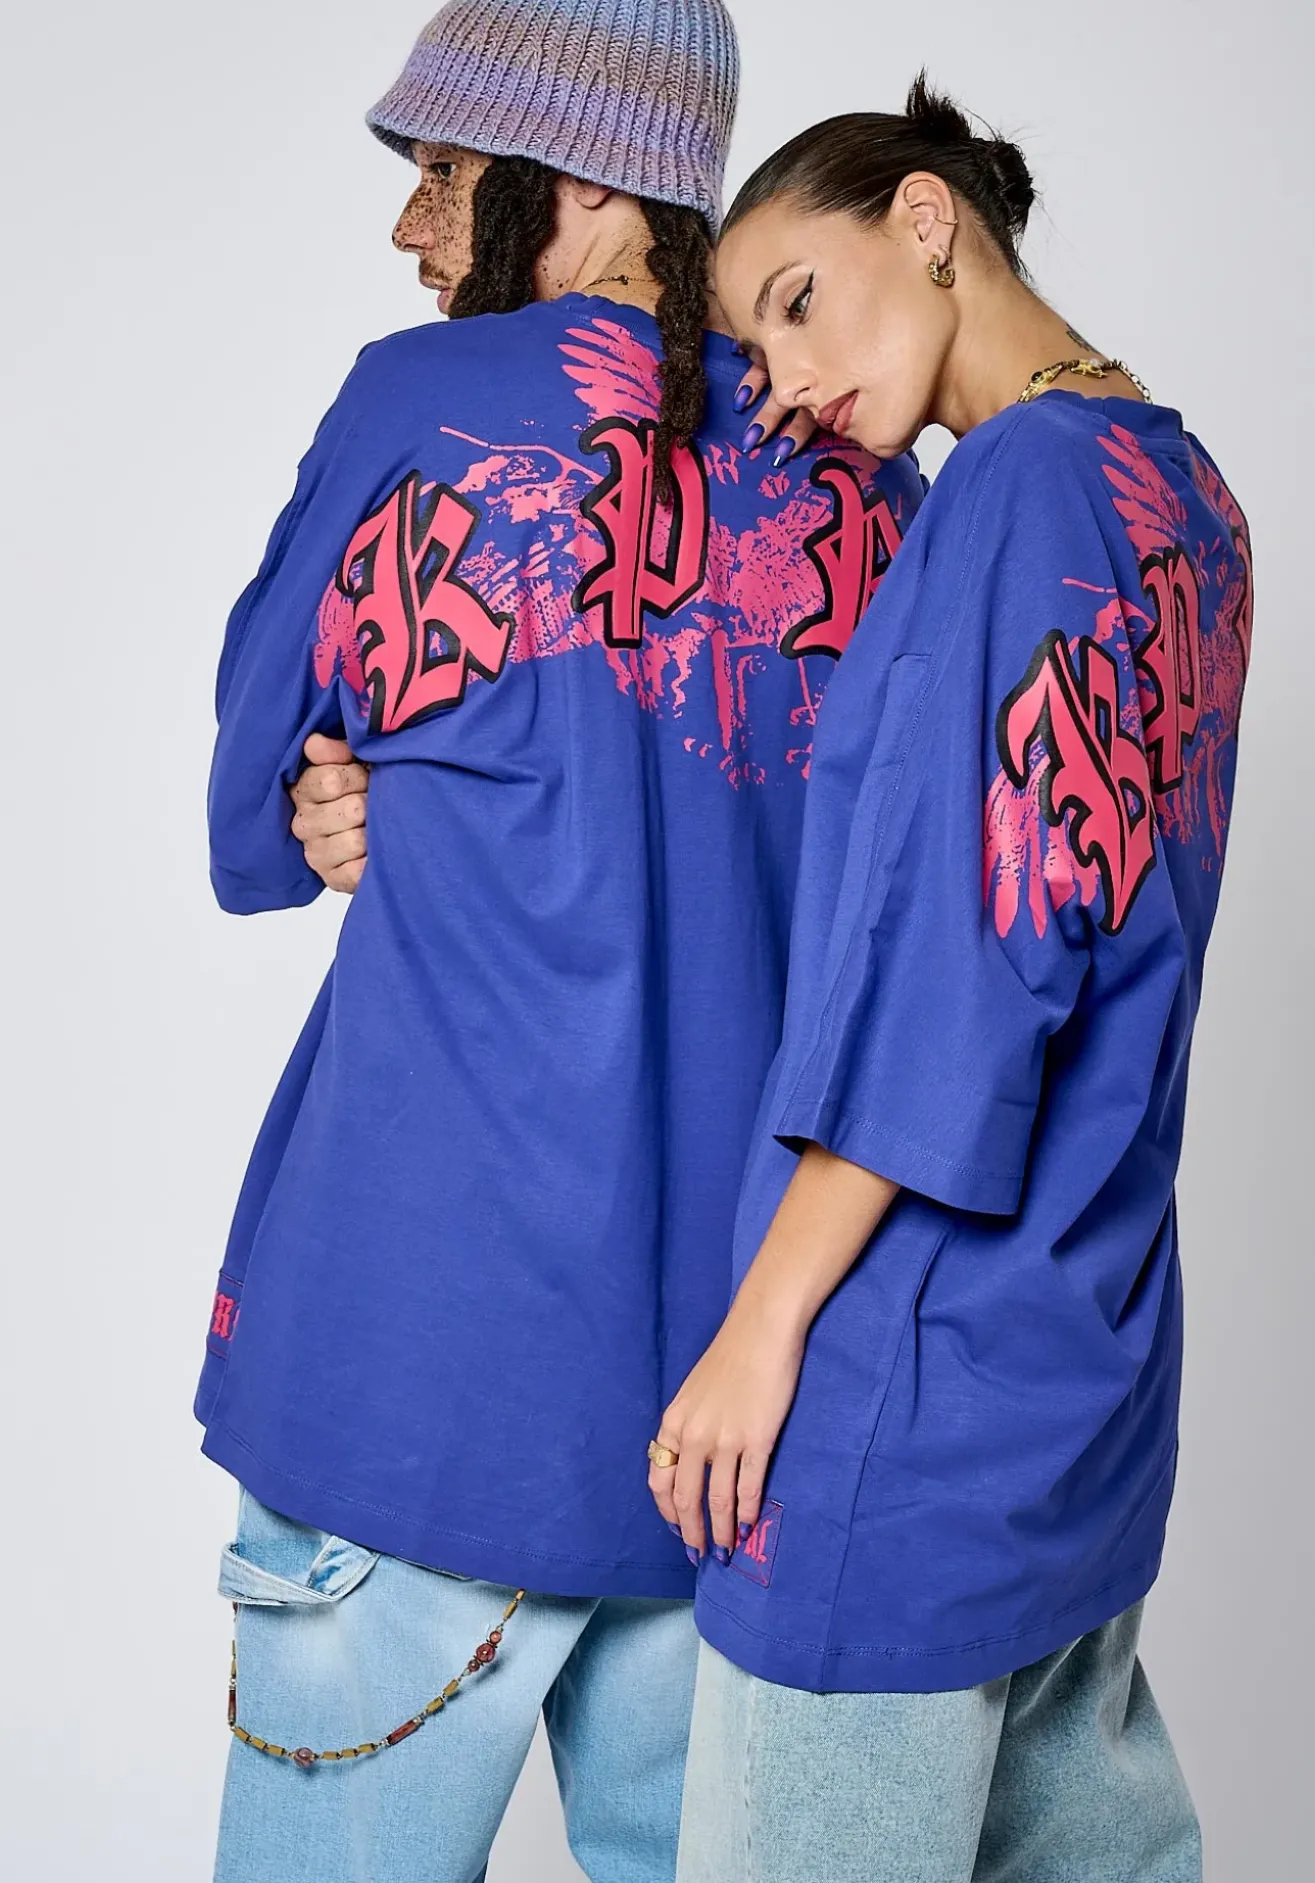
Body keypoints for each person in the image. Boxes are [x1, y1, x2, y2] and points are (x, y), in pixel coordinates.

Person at [199, 4, 923, 1879]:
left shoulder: (418, 405)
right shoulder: (861, 465)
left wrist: (337, 791)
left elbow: (249, 798)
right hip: (739, 1403)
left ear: (586, 181)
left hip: (420, 1364)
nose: (412, 226)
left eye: (445, 174)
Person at [652, 78, 1253, 1883]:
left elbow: (956, 981)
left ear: (926, 219)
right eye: (753, 350)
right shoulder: (1183, 491)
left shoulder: (1006, 494)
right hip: (1082, 1371)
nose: (781, 381)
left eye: (795, 302)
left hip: (900, 1392)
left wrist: (760, 1328)